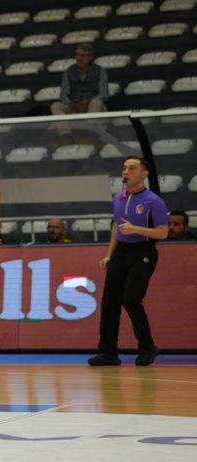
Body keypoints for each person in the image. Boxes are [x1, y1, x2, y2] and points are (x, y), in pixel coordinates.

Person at [90, 156, 166, 367]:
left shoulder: (153, 201)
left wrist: (136, 230)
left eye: (132, 168)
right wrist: (109, 254)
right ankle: (109, 352)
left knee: (131, 299)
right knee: (109, 303)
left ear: (144, 174)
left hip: (143, 251)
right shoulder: (119, 198)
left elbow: (163, 232)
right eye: (124, 168)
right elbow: (117, 227)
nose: (126, 172)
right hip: (121, 252)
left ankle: (148, 346)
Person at [50, 44, 110, 115]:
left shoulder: (100, 71)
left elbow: (104, 94)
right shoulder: (69, 71)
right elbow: (63, 94)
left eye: (83, 55)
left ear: (90, 57)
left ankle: (90, 125)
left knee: (96, 102)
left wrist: (88, 101)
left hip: (94, 106)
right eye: (77, 55)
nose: (79, 58)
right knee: (55, 106)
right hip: (74, 106)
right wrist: (71, 103)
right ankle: (65, 126)